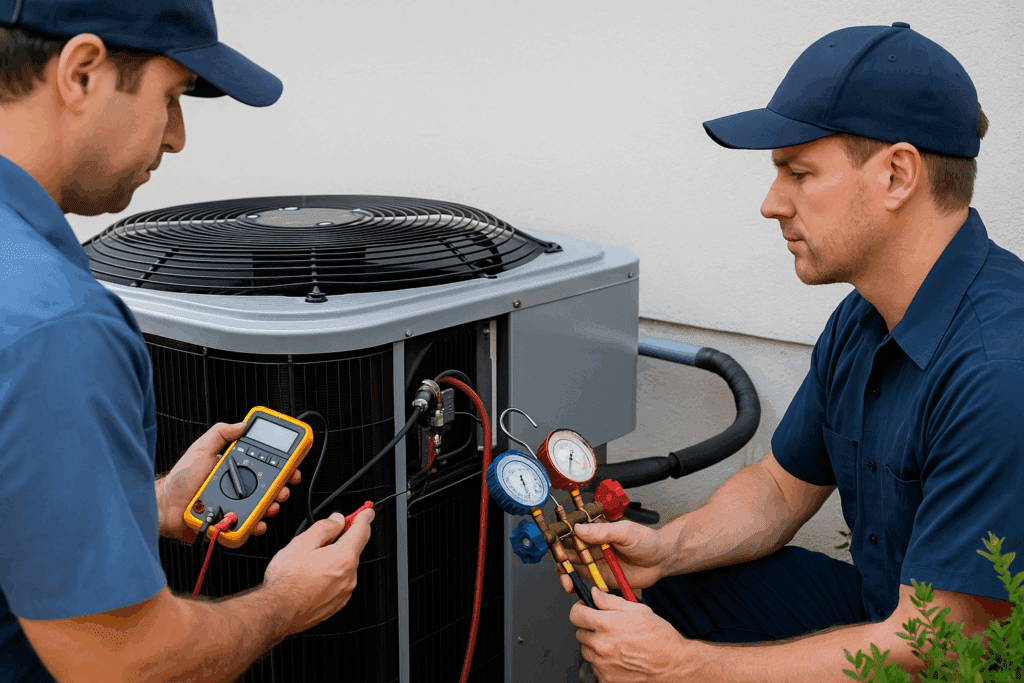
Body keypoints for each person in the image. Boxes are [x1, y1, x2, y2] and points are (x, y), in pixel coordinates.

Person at [561, 22, 1023, 682]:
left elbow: (942, 643)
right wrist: (666, 549)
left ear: (896, 174)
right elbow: (780, 489)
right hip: (885, 612)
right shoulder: (863, 318)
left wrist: (689, 666)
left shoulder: (998, 373)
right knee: (653, 598)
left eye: (798, 172)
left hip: (954, 658)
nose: (770, 203)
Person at [0, 2, 375, 681]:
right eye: (170, 97)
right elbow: (124, 664)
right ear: (81, 72)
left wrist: (149, 501)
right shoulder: (56, 324)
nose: (176, 138)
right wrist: (286, 601)